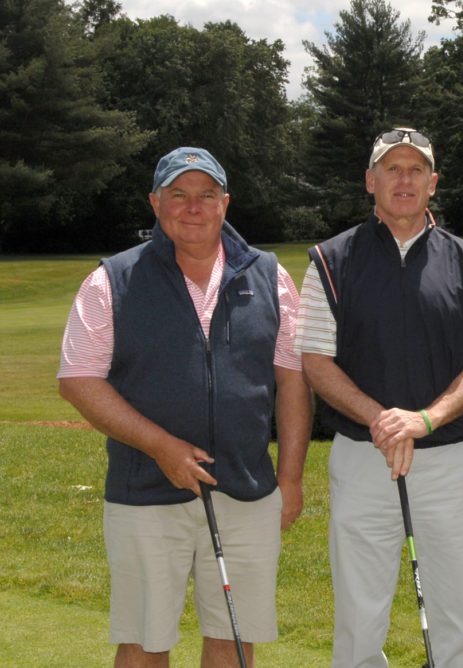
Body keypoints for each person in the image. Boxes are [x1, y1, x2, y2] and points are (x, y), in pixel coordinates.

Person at [58, 146, 313, 667]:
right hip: (146, 492)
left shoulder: (269, 276)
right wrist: (161, 446)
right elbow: (78, 380)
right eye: (178, 194)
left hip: (246, 491)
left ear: (225, 203)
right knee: (144, 642)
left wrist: (290, 479)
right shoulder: (113, 279)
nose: (193, 207)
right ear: (155, 203)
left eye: (206, 194)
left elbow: (293, 383)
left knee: (234, 640)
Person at [297, 127, 463, 667]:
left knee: (457, 616)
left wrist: (425, 420)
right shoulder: (329, 260)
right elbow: (315, 360)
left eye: (416, 170)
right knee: (359, 618)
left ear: (433, 183)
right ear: (371, 180)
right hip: (363, 456)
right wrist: (383, 420)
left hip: (449, 460)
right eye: (392, 169)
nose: (404, 180)